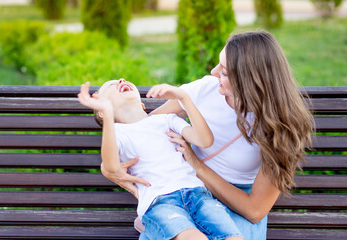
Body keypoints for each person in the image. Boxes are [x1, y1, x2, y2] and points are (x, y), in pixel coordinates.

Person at [100, 30, 314, 239]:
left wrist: (196, 164)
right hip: (181, 187)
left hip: (236, 200)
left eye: (224, 71)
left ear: (249, 80)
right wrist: (109, 168)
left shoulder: (282, 128)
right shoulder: (206, 89)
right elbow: (146, 129)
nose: (213, 72)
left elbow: (254, 210)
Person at [78, 80, 245, 240]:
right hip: (160, 202)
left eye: (122, 80)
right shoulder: (117, 132)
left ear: (142, 105)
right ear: (103, 110)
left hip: (198, 194)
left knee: (234, 237)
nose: (121, 80)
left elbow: (204, 140)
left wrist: (184, 97)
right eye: (112, 85)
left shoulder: (166, 120)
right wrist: (108, 115)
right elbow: (112, 167)